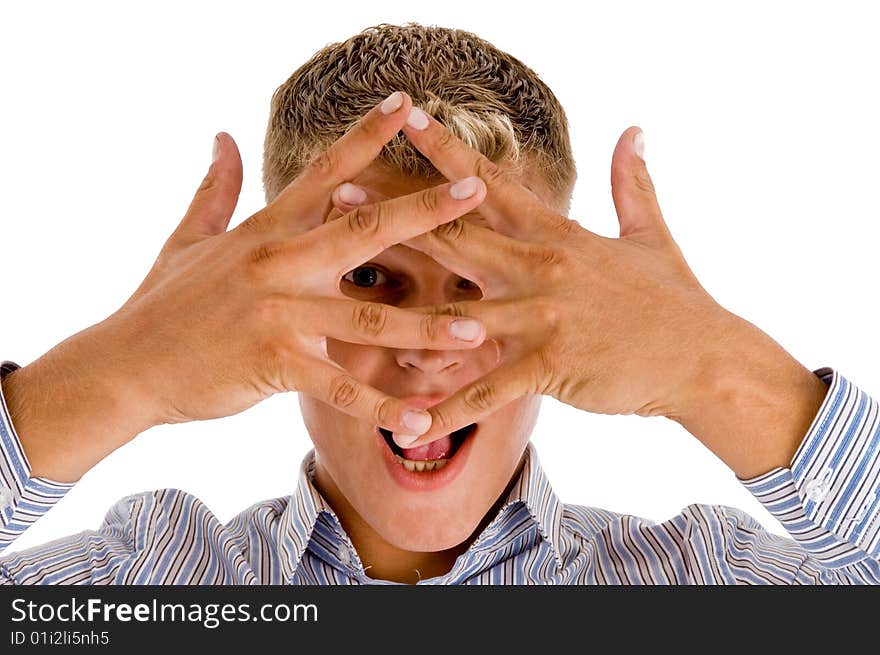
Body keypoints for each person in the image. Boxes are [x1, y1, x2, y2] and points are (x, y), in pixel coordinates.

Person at [1, 23, 877, 585]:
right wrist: (120, 372)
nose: (427, 349)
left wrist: (714, 370)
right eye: (369, 279)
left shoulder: (700, 588)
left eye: (484, 283)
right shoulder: (150, 589)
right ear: (261, 305)